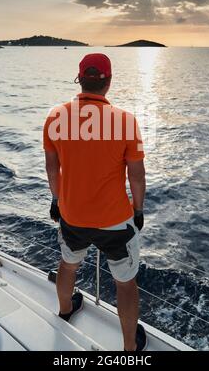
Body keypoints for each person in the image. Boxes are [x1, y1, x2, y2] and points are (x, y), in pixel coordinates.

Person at [43, 53, 147, 351]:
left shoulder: (54, 117)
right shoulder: (127, 121)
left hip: (72, 215)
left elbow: (53, 168)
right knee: (125, 284)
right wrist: (137, 211)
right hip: (115, 220)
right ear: (109, 81)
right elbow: (137, 177)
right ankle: (129, 348)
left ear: (80, 80)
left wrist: (56, 201)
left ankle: (65, 311)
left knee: (68, 265)